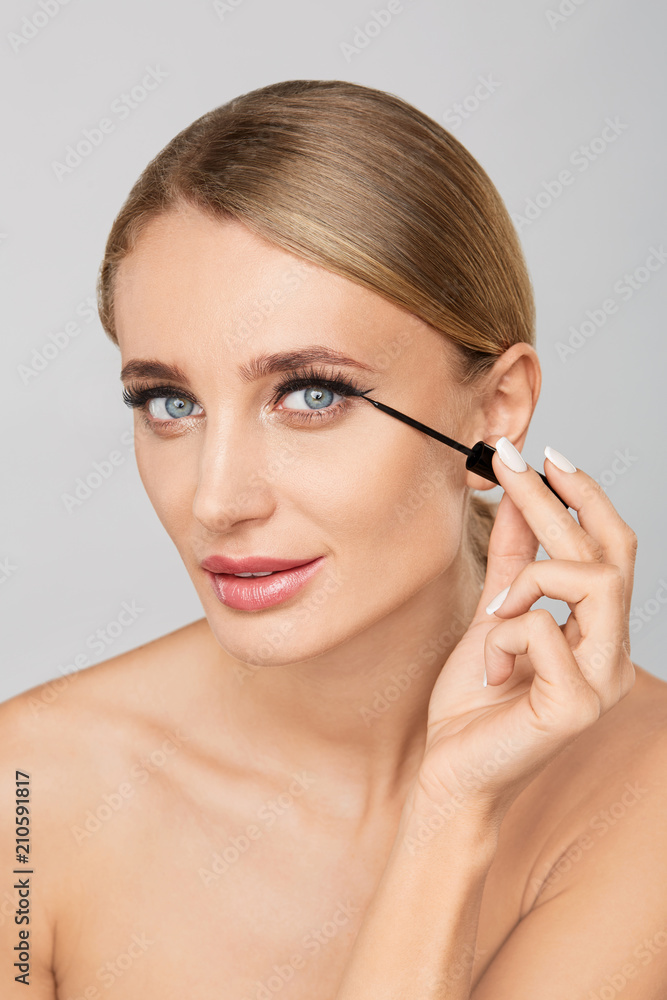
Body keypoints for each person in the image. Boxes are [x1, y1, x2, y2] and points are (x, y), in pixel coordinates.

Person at [2, 78, 666, 999]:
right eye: (169, 403)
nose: (215, 499)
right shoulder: (27, 792)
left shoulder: (645, 787)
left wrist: (448, 811)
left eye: (310, 394)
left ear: (495, 410)